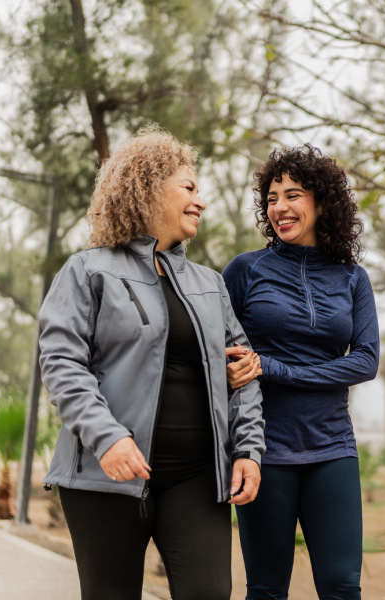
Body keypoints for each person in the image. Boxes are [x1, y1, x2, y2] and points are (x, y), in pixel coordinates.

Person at [38, 126, 265, 600]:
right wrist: (108, 437)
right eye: (189, 188)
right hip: (107, 474)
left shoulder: (210, 284)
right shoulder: (88, 270)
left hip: (197, 477)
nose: (200, 201)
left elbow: (243, 372)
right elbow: (62, 363)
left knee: (209, 593)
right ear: (148, 189)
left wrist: (248, 450)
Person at [222, 144, 379, 600]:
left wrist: (275, 369)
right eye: (272, 199)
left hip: (332, 446)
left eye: (293, 195)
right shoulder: (246, 270)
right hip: (263, 448)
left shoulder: (352, 277)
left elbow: (365, 360)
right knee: (266, 590)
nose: (279, 208)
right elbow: (220, 351)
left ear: (322, 202)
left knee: (342, 586)